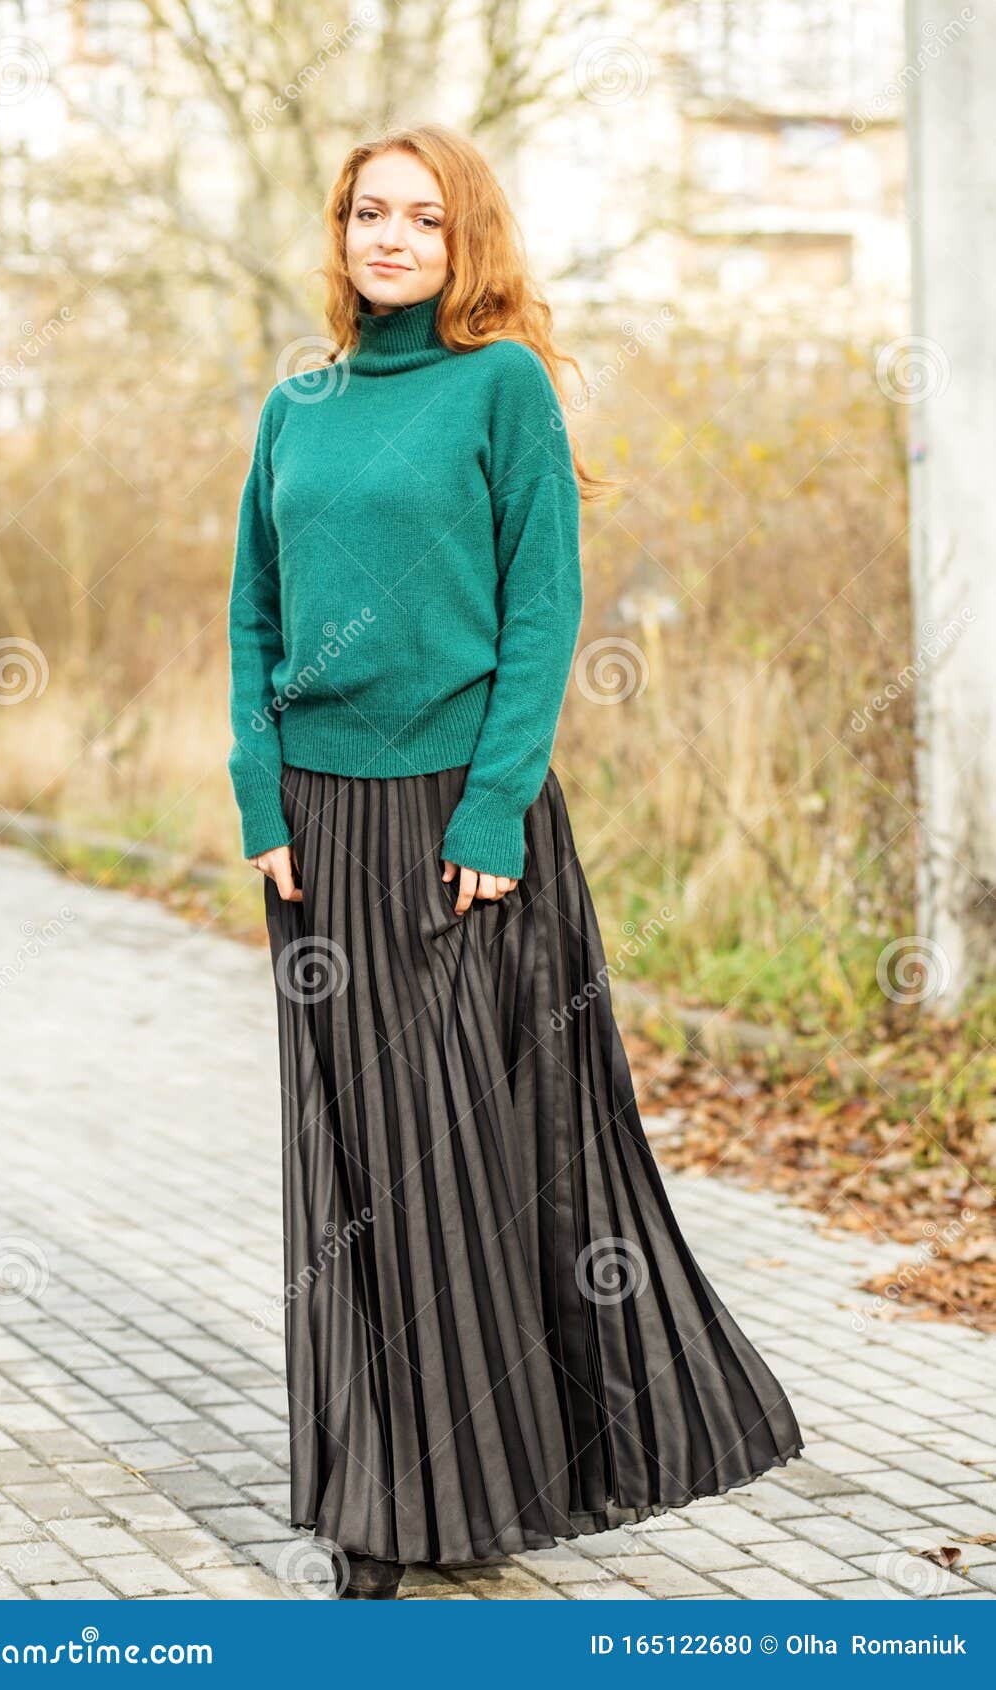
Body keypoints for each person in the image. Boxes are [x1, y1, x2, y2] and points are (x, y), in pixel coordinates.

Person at [226, 123, 802, 1601]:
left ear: (465, 237)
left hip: (461, 837)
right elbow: (254, 619)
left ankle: (457, 1495)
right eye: (370, 212)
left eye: (423, 215)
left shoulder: (505, 389)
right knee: (348, 1160)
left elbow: (545, 612)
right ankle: (386, 1491)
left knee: (456, 1162)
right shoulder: (300, 405)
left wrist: (491, 809)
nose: (393, 235)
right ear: (343, 232)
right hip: (318, 830)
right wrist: (259, 794)